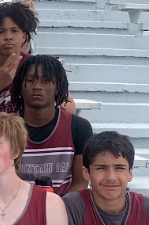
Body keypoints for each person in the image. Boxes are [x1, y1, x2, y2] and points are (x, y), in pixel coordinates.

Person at [11, 55, 91, 195]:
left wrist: (55, 209)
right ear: (19, 86)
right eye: (30, 80)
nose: (37, 87)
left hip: (63, 207)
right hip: (15, 209)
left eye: (46, 81)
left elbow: (80, 183)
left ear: (58, 87)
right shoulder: (6, 128)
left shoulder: (79, 128)